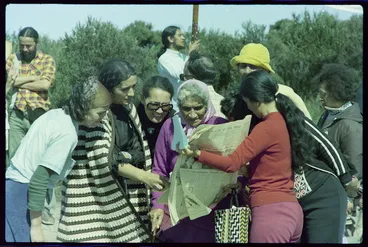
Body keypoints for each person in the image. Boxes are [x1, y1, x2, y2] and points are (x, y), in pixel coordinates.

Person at [219, 76, 359, 243]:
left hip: (322, 196)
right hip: (294, 205)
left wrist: (346, 178)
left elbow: (325, 144)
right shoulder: (258, 131)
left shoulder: (285, 119)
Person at [182, 71, 306, 243]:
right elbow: (270, 167)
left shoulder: (266, 128)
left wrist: (197, 154)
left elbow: (232, 163)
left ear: (255, 100)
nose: (247, 108)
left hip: (271, 214)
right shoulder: (283, 121)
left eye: (247, 102)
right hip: (291, 212)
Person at [58, 59, 167, 242]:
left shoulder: (129, 109)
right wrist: (144, 176)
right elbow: (103, 158)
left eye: (133, 87)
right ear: (108, 88)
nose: (131, 93)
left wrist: (124, 157)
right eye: (124, 89)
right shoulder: (96, 111)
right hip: (93, 194)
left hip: (128, 191)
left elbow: (138, 151)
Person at [6, 76, 112, 242]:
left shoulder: (56, 115)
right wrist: (36, 227)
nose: (103, 118)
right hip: (22, 193)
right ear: (84, 107)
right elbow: (38, 180)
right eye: (100, 113)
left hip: (11, 188)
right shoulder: (67, 133)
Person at [148, 79, 232, 242]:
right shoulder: (170, 127)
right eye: (186, 109)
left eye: (198, 108)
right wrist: (157, 206)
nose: (192, 115)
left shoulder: (220, 125)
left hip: (212, 216)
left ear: (207, 104)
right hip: (176, 215)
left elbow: (236, 165)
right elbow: (159, 170)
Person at [6, 27, 57, 225]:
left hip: (39, 116)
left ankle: (43, 209)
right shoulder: (13, 59)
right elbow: (10, 81)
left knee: (42, 163)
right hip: (18, 115)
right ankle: (16, 206)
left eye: (29, 45)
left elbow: (46, 85)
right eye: (22, 45)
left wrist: (20, 81)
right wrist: (34, 78)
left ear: (37, 43)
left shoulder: (47, 60)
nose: (25, 49)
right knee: (16, 161)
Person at [229, 43, 311, 122]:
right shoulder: (237, 101)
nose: (247, 71)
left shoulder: (284, 93)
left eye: (253, 66)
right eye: (243, 66)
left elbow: (308, 128)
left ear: (266, 71)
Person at [157, 26, 199, 111]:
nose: (183, 38)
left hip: (190, 104)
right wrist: (190, 54)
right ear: (171, 39)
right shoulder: (164, 58)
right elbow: (183, 75)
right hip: (175, 108)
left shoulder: (183, 57)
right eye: (180, 35)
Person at [137, 75, 176, 160]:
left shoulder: (174, 121)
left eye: (165, 106)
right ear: (142, 99)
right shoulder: (132, 116)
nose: (160, 111)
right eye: (154, 105)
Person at [180, 52, 227, 119]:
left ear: (192, 79)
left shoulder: (187, 108)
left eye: (184, 77)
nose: (183, 81)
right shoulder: (224, 103)